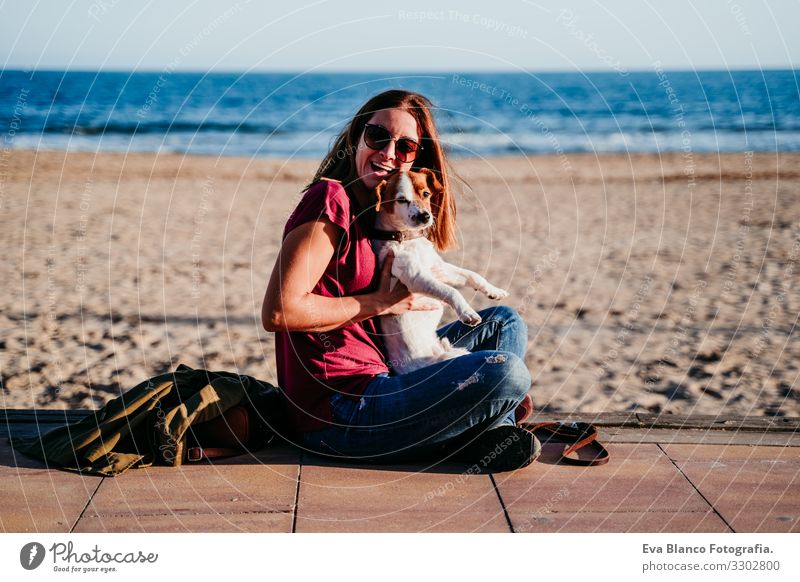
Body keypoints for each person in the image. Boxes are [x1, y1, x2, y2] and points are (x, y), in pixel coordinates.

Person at [261, 89, 538, 472]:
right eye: (377, 137)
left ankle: (491, 432)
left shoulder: (378, 217)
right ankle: (485, 429)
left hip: (390, 373)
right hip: (342, 408)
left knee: (503, 321)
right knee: (507, 371)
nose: (389, 154)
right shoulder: (331, 199)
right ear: (356, 137)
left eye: (405, 147)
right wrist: (384, 302)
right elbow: (279, 311)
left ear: (415, 159)